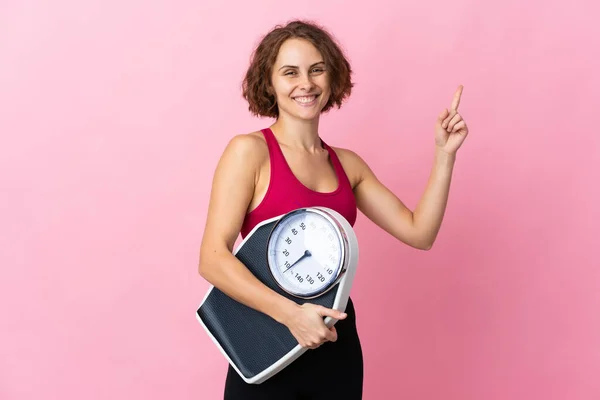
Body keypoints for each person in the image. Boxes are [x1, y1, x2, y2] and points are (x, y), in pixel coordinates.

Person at [198, 19, 469, 400]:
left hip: (334, 341)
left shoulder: (348, 165)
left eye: (317, 69)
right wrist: (291, 315)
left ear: (332, 77)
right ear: (269, 83)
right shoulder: (249, 152)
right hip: (266, 339)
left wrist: (444, 156)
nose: (305, 83)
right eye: (290, 72)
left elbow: (419, 233)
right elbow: (211, 258)